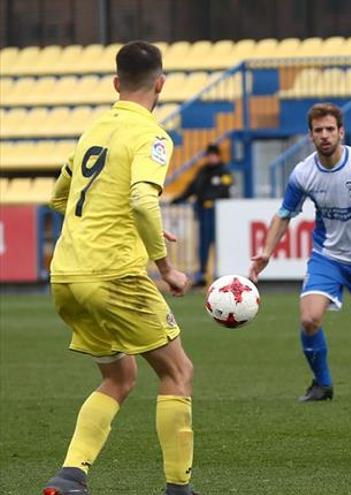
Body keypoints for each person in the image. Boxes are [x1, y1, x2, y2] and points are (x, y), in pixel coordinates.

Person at [43, 41, 197, 495]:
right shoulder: (152, 135)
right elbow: (142, 200)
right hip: (115, 275)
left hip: (67, 276)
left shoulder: (93, 130)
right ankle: (179, 488)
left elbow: (59, 197)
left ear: (115, 83)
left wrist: (123, 223)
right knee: (177, 371)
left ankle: (70, 475)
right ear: (160, 84)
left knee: (118, 376)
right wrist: (166, 269)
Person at [249, 103, 351, 402]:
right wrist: (266, 252)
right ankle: (322, 385)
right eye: (318, 130)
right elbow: (284, 213)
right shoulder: (303, 173)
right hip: (326, 257)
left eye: (329, 130)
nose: (324, 136)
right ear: (310, 135)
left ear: (341, 132)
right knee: (309, 319)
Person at [171, 143, 234, 286]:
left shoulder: (224, 172)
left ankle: (223, 275)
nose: (211, 158)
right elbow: (192, 187)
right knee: (203, 245)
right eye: (209, 155)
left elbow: (224, 189)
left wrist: (208, 197)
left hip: (218, 213)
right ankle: (203, 275)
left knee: (220, 244)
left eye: (213, 155)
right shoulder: (203, 171)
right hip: (203, 212)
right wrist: (179, 198)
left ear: (218, 156)